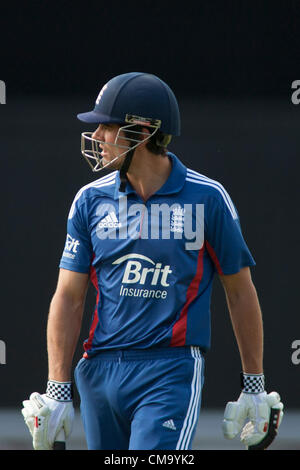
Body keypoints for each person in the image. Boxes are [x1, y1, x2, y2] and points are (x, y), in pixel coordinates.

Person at [21, 72, 283, 451]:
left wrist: (254, 385)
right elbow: (68, 297)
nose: (96, 139)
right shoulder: (89, 201)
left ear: (141, 132)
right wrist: (57, 389)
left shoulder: (207, 198)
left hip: (169, 371)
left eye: (107, 128)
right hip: (99, 372)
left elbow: (240, 293)